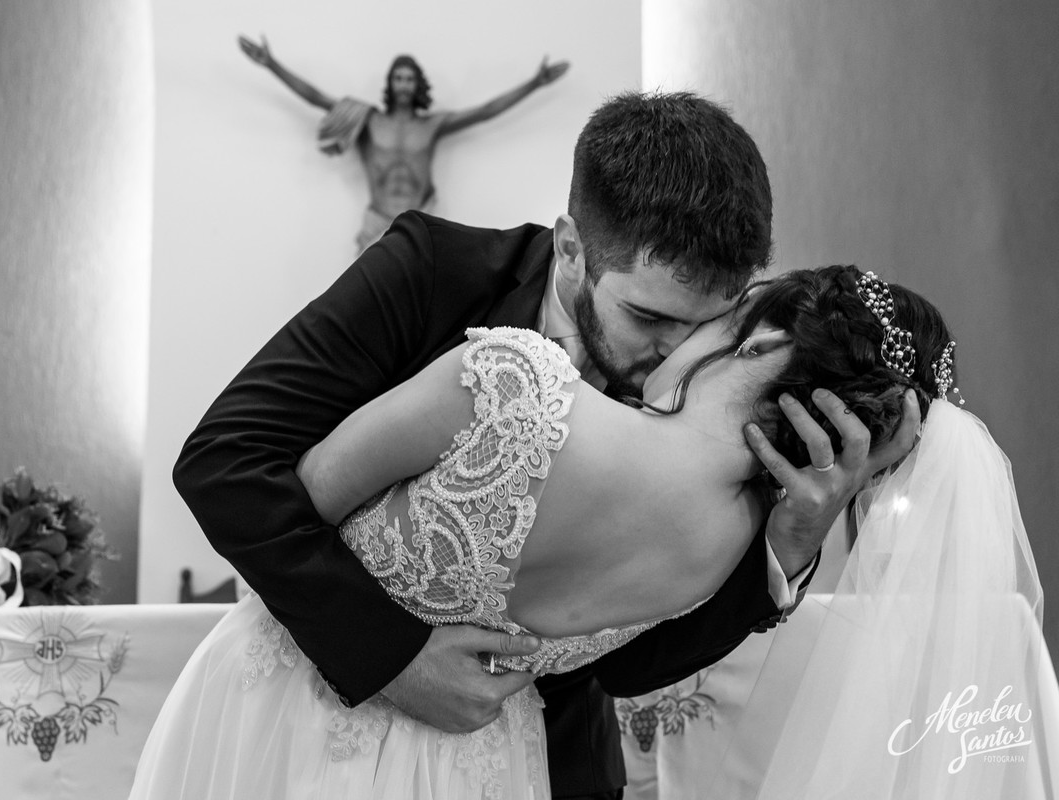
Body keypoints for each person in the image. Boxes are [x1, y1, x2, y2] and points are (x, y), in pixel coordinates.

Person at [168, 91, 918, 799]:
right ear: (570, 249)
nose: (675, 352)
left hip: (544, 761)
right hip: (316, 719)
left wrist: (788, 545)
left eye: (706, 323)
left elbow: (633, 664)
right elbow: (226, 462)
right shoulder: (433, 273)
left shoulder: (717, 407)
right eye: (649, 317)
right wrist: (393, 658)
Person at [238, 35, 569, 252]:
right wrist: (271, 63)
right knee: (368, 305)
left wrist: (535, 83)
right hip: (376, 225)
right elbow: (315, 97)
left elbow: (484, 112)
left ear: (418, 83)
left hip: (420, 222)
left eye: (409, 78)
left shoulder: (432, 124)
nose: (404, 84)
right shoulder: (368, 119)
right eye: (398, 77)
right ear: (390, 83)